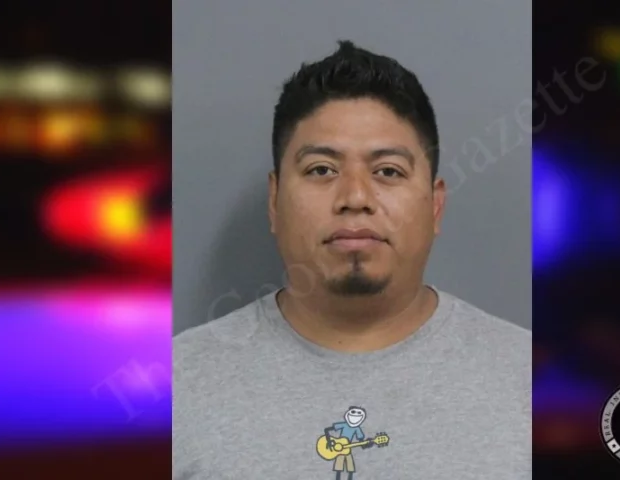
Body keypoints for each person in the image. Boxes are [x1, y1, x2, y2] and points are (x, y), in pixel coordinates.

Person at [174, 40, 530, 479]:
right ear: (274, 201)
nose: (356, 197)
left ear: (435, 206)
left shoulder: (528, 382)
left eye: (388, 171)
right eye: (321, 169)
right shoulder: (177, 386)